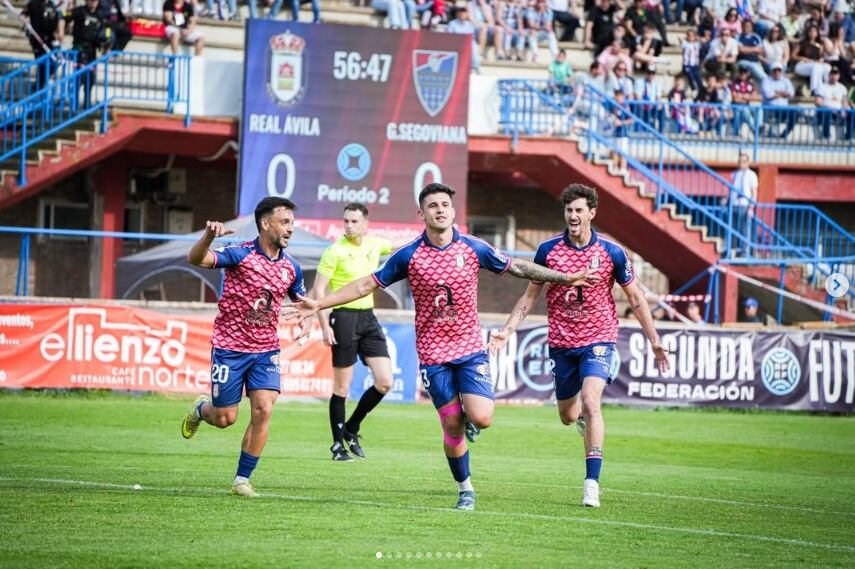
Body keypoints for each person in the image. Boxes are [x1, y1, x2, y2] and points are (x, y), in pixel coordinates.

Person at [284, 183, 600, 511]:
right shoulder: (409, 255)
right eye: (433, 205)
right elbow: (365, 284)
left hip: (469, 349)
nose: (440, 210)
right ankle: (465, 489)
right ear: (421, 214)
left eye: (445, 204)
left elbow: (517, 267)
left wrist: (564, 277)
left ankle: (469, 419)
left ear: (452, 211)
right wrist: (319, 303)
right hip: (434, 356)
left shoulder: (473, 247)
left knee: (483, 417)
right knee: (451, 425)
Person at [489, 183, 669, 508]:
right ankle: (582, 420)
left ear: (591, 213)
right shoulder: (547, 251)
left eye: (579, 210)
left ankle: (591, 484)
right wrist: (507, 331)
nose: (573, 215)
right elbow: (530, 296)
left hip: (599, 339)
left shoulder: (612, 253)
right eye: (569, 210)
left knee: (591, 399)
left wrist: (654, 339)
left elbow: (635, 299)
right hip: (562, 344)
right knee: (568, 415)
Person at [180, 197, 309, 498]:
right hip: (230, 348)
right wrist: (208, 237)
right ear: (265, 224)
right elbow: (196, 259)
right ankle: (201, 410)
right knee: (225, 419)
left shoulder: (291, 268)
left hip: (266, 350)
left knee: (264, 410)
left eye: (292, 223)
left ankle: (242, 479)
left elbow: (302, 302)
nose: (290, 229)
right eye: (284, 222)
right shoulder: (239, 254)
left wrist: (307, 319)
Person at [311, 204, 395, 462]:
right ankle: (338, 446)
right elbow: (318, 291)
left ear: (365, 224)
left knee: (385, 382)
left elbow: (403, 248)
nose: (348, 225)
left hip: (368, 318)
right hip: (343, 318)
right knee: (342, 386)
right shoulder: (334, 251)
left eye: (354, 221)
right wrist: (325, 325)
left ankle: (352, 427)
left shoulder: (376, 245)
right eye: (346, 221)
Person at [65, 0, 105, 108]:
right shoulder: (79, 11)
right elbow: (65, 17)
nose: (93, 2)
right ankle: (74, 105)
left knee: (90, 79)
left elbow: (104, 31)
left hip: (92, 51)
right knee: (78, 78)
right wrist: (61, 31)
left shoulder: (99, 15)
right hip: (79, 49)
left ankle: (87, 104)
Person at [21, 0, 65, 91]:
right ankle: (38, 89)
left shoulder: (52, 5)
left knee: (56, 61)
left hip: (50, 41)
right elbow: (23, 14)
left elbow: (60, 17)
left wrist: (60, 31)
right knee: (42, 66)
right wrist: (25, 21)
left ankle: (38, 87)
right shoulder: (33, 3)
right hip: (38, 41)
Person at [730, 152, 757, 255]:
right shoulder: (734, 174)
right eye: (740, 161)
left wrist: (751, 207)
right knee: (732, 228)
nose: (742, 163)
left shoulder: (751, 175)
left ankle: (745, 251)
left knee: (745, 229)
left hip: (745, 205)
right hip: (734, 204)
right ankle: (732, 249)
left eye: (744, 161)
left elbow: (754, 192)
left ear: (748, 162)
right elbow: (731, 190)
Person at [816, 67, 852, 141]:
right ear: (829, 75)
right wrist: (831, 109)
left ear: (839, 76)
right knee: (826, 112)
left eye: (836, 74)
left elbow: (845, 101)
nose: (834, 76)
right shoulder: (822, 87)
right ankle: (826, 136)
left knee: (852, 114)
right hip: (826, 110)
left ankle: (849, 137)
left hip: (839, 111)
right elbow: (818, 102)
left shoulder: (842, 87)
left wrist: (844, 110)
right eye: (832, 74)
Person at [793, 25, 830, 95]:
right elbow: (793, 56)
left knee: (827, 67)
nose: (812, 33)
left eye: (814, 31)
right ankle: (814, 90)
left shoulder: (820, 44)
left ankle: (827, 89)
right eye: (810, 31)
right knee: (816, 67)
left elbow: (822, 56)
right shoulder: (802, 43)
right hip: (803, 64)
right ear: (807, 32)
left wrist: (821, 59)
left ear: (817, 33)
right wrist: (802, 58)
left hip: (815, 64)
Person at [760, 62, 795, 137]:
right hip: (770, 108)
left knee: (795, 113)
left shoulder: (786, 80)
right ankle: (770, 132)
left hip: (783, 109)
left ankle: (784, 134)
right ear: (771, 71)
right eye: (775, 70)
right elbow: (768, 95)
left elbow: (791, 93)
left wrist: (776, 93)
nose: (777, 72)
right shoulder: (766, 80)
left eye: (779, 70)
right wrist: (783, 93)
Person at [448, 6, 481, 71]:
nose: (462, 15)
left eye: (464, 13)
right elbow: (450, 36)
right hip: (455, 42)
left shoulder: (469, 24)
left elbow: (471, 36)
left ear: (467, 14)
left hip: (467, 42)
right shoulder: (452, 23)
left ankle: (475, 67)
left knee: (474, 47)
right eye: (461, 12)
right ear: (458, 14)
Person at [737, 19, 767, 84]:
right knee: (763, 77)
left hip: (756, 61)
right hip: (743, 61)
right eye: (744, 26)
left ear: (751, 28)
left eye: (748, 26)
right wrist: (755, 49)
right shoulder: (738, 36)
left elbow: (761, 50)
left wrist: (748, 49)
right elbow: (741, 50)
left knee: (762, 78)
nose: (746, 28)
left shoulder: (756, 37)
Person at [609, 89, 632, 173]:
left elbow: (631, 120)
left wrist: (621, 123)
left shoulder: (625, 107)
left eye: (618, 96)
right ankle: (615, 167)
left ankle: (623, 169)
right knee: (614, 151)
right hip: (615, 133)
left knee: (623, 153)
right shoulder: (614, 107)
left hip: (623, 134)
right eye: (616, 96)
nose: (617, 98)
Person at [682, 28, 703, 92]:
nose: (690, 37)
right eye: (689, 35)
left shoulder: (697, 44)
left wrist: (698, 38)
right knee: (690, 75)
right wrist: (684, 38)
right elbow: (680, 39)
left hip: (695, 64)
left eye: (692, 35)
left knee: (697, 77)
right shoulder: (685, 43)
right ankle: (693, 89)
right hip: (687, 64)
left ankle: (701, 89)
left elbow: (703, 41)